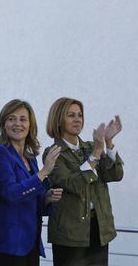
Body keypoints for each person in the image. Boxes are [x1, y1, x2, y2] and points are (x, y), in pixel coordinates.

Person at [44, 97, 124, 266]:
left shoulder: (90, 146)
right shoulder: (53, 153)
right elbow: (75, 184)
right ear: (58, 119)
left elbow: (115, 175)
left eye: (80, 115)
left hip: (99, 229)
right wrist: (96, 152)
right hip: (70, 235)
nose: (77, 119)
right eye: (71, 115)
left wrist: (108, 143)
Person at [0, 99, 63, 266]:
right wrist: (44, 172)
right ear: (3, 124)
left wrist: (46, 199)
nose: (17, 124)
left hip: (29, 243)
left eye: (23, 119)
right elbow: (11, 193)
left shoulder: (30, 158)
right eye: (11, 119)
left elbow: (30, 200)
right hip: (8, 244)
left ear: (30, 125)